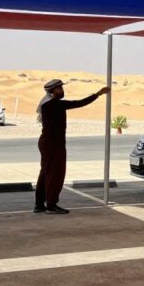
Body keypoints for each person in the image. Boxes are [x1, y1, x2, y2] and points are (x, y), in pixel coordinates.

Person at [35, 79, 110, 214]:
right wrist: (98, 94)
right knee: (55, 174)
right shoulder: (54, 105)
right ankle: (51, 205)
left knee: (45, 173)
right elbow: (79, 103)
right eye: (59, 89)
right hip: (53, 144)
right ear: (52, 91)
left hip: (48, 143)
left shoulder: (48, 104)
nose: (62, 91)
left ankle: (39, 204)